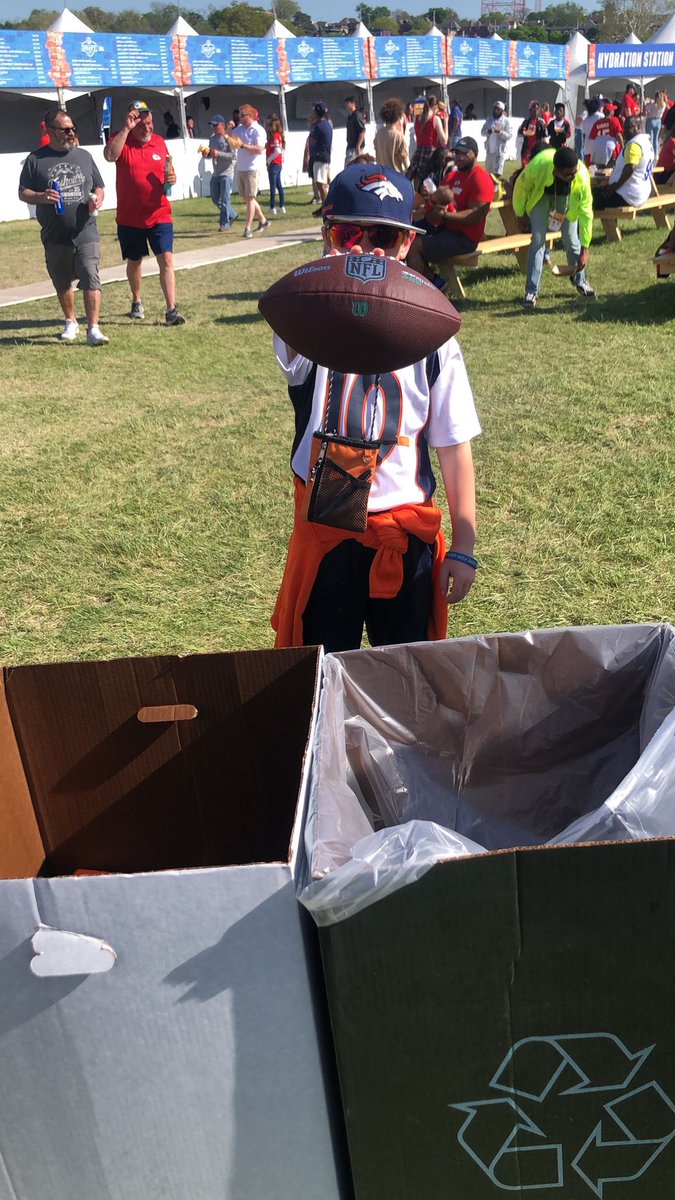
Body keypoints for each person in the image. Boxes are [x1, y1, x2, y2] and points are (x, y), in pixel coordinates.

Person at [271, 161, 481, 653]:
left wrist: (465, 547)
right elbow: (288, 307)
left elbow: (453, 444)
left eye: (383, 236)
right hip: (329, 525)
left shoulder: (433, 335)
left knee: (407, 676)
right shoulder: (309, 318)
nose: (366, 250)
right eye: (349, 233)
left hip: (404, 527)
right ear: (328, 235)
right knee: (321, 672)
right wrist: (334, 270)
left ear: (407, 243)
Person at [18, 107, 108, 345]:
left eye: (73, 129)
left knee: (91, 275)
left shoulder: (84, 156)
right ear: (50, 131)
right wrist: (41, 197)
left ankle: (94, 329)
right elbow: (22, 193)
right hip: (55, 233)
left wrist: (98, 197)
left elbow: (99, 186)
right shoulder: (35, 160)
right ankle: (71, 321)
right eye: (65, 129)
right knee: (62, 279)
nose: (71, 133)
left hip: (85, 229)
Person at [104, 100, 185, 325]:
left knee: (166, 259)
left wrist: (172, 178)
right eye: (142, 125)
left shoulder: (159, 142)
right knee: (135, 260)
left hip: (159, 213)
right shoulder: (122, 141)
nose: (148, 128)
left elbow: (169, 173)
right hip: (130, 217)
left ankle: (171, 310)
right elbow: (110, 156)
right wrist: (126, 129)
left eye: (150, 123)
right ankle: (137, 300)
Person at [512, 145, 596, 310]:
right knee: (537, 241)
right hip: (542, 197)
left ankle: (580, 280)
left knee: (572, 239)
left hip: (568, 201)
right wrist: (520, 213)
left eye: (575, 172)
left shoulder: (582, 176)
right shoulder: (540, 165)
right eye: (568, 174)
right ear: (556, 171)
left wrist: (585, 248)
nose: (573, 176)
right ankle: (531, 291)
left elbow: (587, 213)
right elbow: (521, 188)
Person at [406, 136, 494, 289]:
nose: (459, 157)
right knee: (405, 235)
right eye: (457, 153)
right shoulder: (452, 176)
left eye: (464, 153)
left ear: (475, 154)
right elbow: (434, 214)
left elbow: (474, 216)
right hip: (445, 229)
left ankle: (427, 289)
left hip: (465, 238)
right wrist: (430, 200)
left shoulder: (481, 178)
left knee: (413, 246)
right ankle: (434, 282)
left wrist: (445, 215)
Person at [593, 117, 655, 211]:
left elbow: (630, 168)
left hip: (628, 195)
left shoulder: (634, 145)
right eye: (624, 128)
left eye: (629, 128)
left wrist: (614, 187)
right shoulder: (647, 143)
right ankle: (611, 224)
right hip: (642, 192)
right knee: (602, 191)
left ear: (639, 128)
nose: (625, 131)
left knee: (591, 195)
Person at [231, 103, 270, 239]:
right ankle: (263, 220)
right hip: (241, 167)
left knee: (250, 198)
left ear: (250, 115)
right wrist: (228, 131)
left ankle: (247, 227)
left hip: (253, 168)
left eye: (242, 115)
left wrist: (243, 145)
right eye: (239, 115)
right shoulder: (238, 129)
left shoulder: (258, 130)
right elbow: (230, 140)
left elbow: (259, 149)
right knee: (247, 198)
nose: (239, 118)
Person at [205, 112, 238, 232]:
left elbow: (233, 156)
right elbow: (211, 154)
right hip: (216, 172)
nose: (214, 127)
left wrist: (219, 154)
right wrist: (207, 154)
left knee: (225, 199)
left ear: (223, 125)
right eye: (213, 125)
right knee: (215, 198)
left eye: (216, 125)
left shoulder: (228, 138)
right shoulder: (212, 138)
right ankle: (232, 214)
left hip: (227, 172)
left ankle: (225, 224)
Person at [409, 95, 447, 189]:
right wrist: (445, 123)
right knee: (431, 186)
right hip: (430, 154)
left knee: (417, 185)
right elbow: (444, 141)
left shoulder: (417, 118)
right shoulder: (435, 119)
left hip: (418, 154)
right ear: (435, 107)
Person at [373, 97, 410, 174]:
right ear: (398, 116)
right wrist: (410, 172)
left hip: (381, 174)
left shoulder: (378, 135)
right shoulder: (398, 136)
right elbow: (404, 158)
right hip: (395, 175)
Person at [308, 102, 332, 215]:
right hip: (323, 156)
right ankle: (324, 205)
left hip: (320, 156)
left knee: (320, 183)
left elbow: (313, 140)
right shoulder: (326, 124)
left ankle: (326, 207)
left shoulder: (319, 126)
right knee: (322, 181)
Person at [481, 100, 512, 176]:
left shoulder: (506, 121)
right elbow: (482, 132)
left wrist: (500, 132)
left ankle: (496, 188)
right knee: (488, 174)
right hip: (489, 152)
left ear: (501, 111)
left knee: (497, 174)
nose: (495, 111)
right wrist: (488, 132)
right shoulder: (489, 119)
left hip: (499, 152)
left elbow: (509, 135)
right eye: (495, 108)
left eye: (498, 109)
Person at [265, 113, 286, 214]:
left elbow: (277, 150)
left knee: (273, 186)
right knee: (278, 185)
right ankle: (281, 205)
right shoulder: (277, 136)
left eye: (270, 126)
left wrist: (269, 160)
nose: (268, 128)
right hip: (277, 163)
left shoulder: (275, 137)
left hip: (274, 163)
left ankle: (272, 207)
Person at [518, 102, 548, 166]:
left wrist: (544, 129)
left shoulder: (541, 122)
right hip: (527, 148)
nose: (535, 111)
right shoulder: (526, 121)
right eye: (533, 109)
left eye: (537, 109)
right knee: (525, 166)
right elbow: (520, 131)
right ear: (530, 110)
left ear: (539, 111)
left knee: (536, 166)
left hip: (537, 148)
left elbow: (545, 134)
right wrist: (524, 132)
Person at [344, 95, 366, 166]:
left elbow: (362, 131)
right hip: (350, 146)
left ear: (353, 104)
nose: (346, 106)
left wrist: (358, 145)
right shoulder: (350, 116)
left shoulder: (357, 115)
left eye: (348, 103)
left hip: (355, 148)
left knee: (352, 167)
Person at [645, 91, 667, 158]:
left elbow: (646, 109)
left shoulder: (653, 105)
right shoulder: (664, 104)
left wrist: (646, 102)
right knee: (656, 139)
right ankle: (656, 154)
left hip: (651, 120)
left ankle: (650, 153)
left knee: (650, 138)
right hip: (658, 121)